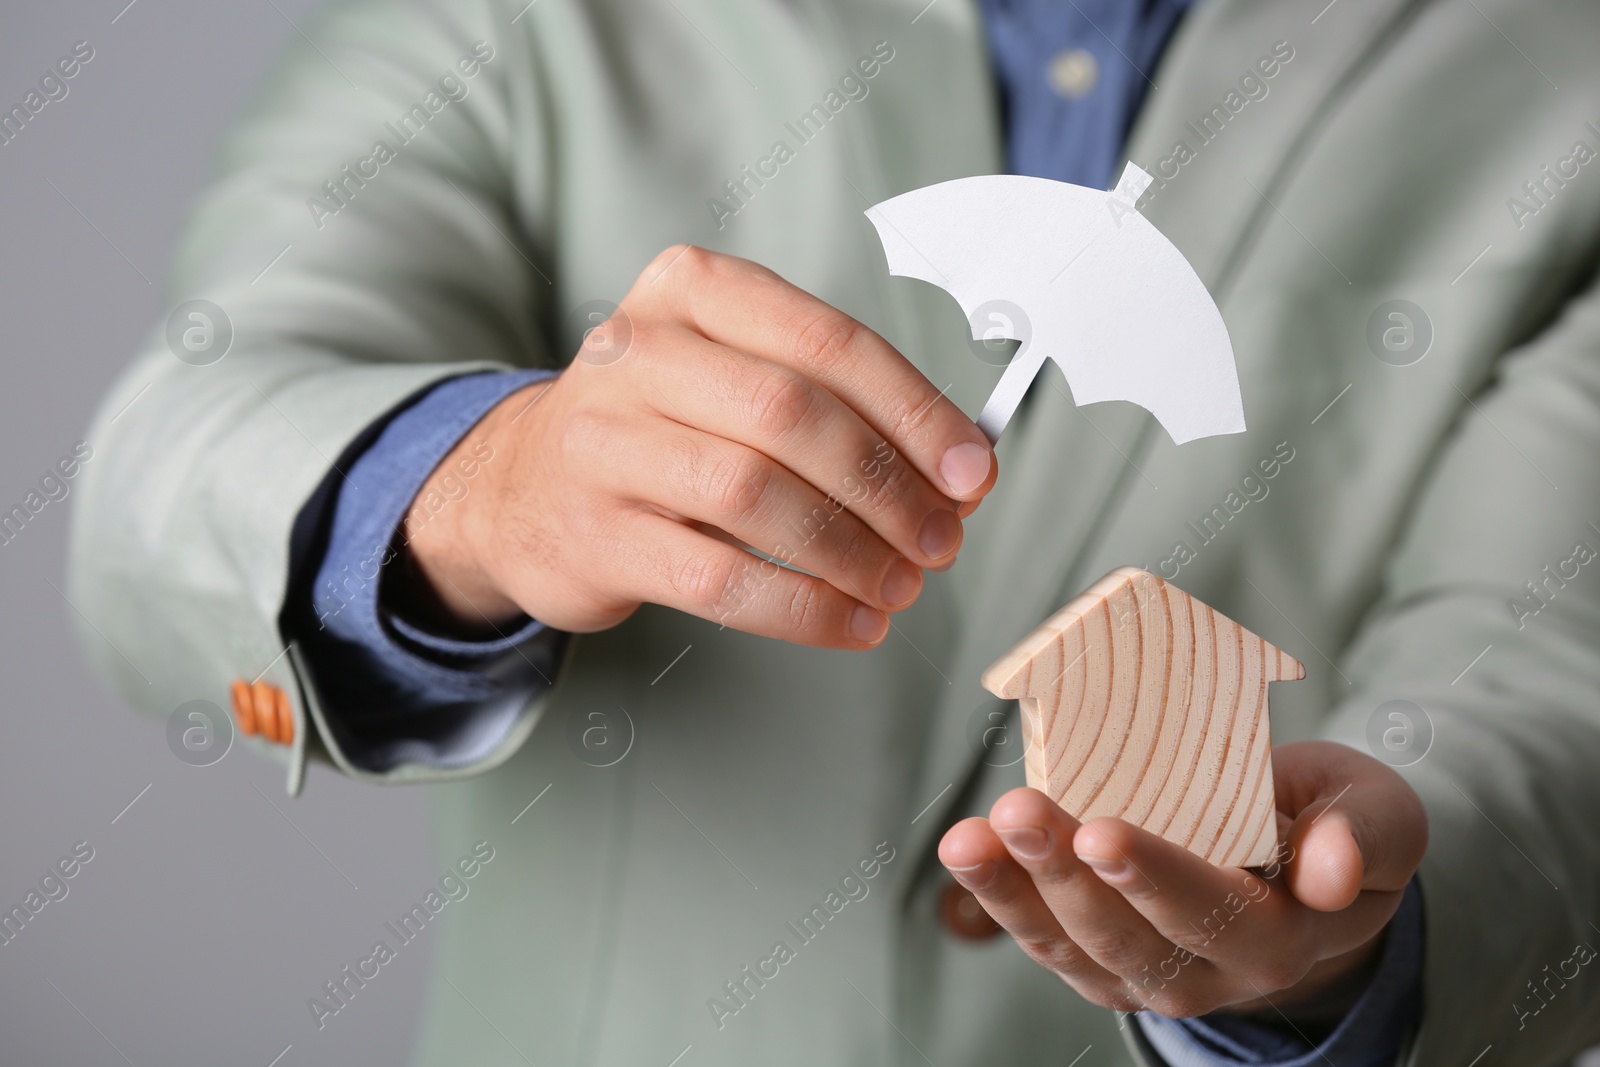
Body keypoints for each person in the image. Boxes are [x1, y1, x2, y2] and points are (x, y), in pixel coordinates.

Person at [68, 0, 1600, 1063]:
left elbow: (1545, 694)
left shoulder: (1558, 82)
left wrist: (1341, 955)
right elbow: (169, 467)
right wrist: (484, 480)